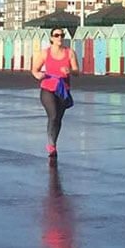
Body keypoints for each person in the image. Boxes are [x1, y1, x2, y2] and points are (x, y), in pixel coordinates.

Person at [31, 28, 79, 159]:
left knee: (58, 119)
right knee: (53, 115)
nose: (59, 37)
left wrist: (70, 71)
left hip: (63, 89)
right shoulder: (45, 53)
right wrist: (38, 75)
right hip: (48, 87)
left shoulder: (70, 53)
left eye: (62, 35)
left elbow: (77, 71)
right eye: (56, 35)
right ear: (51, 38)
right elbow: (34, 70)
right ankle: (50, 143)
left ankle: (53, 144)